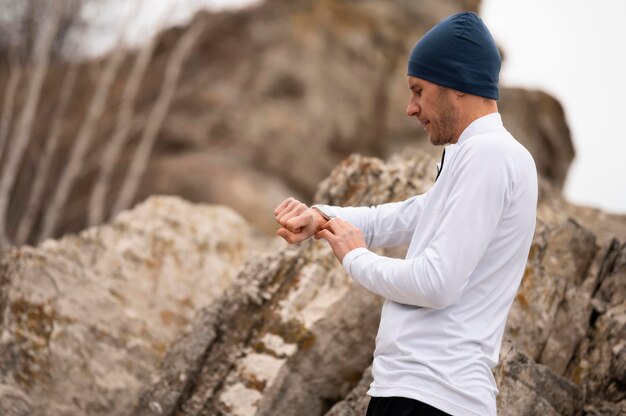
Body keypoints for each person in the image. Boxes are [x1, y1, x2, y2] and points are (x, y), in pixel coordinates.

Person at [274, 11, 537, 416]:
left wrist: (356, 259)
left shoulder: (490, 155)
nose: (410, 108)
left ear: (457, 85)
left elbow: (436, 283)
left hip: (433, 398)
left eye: (418, 90)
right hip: (420, 394)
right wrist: (320, 218)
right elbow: (404, 216)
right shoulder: (477, 153)